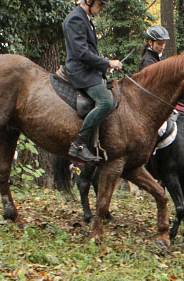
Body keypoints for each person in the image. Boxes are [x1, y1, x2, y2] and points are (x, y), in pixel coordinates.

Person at [62, 0, 123, 163]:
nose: (102, 8)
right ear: (89, 1)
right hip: (80, 71)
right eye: (101, 4)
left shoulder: (85, 19)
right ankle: (79, 144)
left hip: (89, 70)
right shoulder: (75, 19)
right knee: (106, 101)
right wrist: (108, 63)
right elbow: (81, 53)